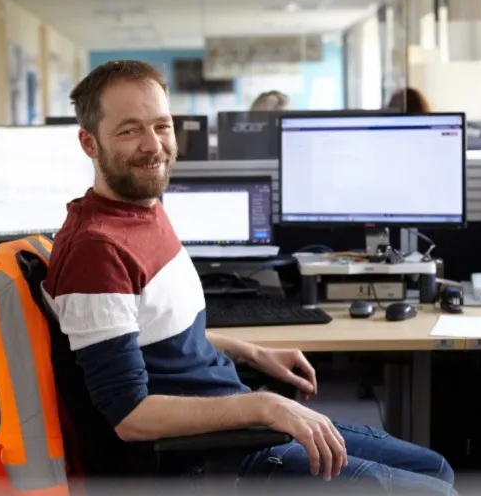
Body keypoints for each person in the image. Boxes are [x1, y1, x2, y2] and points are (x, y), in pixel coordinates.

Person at [42, 60, 457, 494]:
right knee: (436, 490)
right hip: (210, 456)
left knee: (436, 469)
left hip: (235, 422)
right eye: (129, 130)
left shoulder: (143, 210)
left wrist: (251, 351)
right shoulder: (97, 250)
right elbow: (129, 416)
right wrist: (263, 406)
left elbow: (159, 337)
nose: (153, 145)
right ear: (89, 143)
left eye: (161, 126)